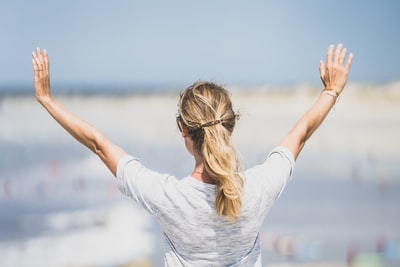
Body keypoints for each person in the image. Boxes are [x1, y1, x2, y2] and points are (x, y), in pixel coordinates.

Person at [32, 44, 353, 266]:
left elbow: (98, 143)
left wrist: (47, 100)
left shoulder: (168, 196)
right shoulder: (256, 189)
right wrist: (331, 90)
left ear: (181, 129)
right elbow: (301, 133)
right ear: (232, 125)